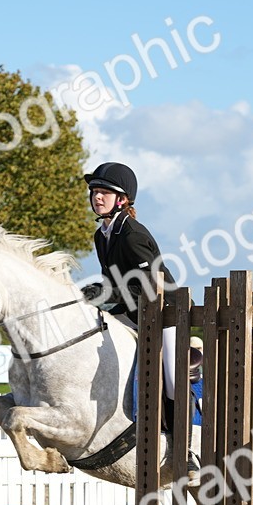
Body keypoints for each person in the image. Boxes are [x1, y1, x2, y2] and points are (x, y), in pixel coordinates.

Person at [78, 162, 198, 479]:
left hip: (165, 312)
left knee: (172, 377)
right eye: (94, 191)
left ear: (122, 199)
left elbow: (149, 285)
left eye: (104, 192)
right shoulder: (102, 235)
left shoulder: (132, 235)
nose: (96, 197)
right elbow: (116, 284)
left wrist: (106, 291)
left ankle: (185, 452)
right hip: (133, 311)